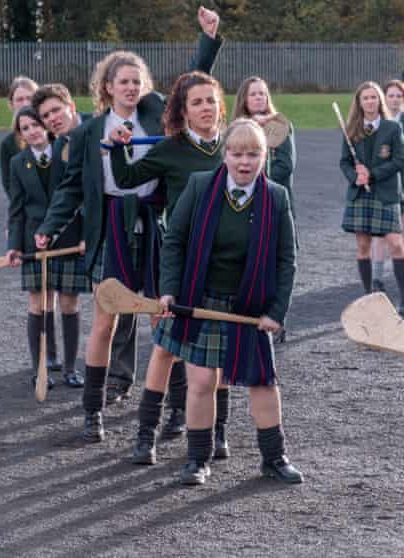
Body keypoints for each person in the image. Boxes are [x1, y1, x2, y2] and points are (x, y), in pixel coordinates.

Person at [34, 7, 223, 443]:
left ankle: (177, 411)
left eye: (137, 81)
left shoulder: (158, 112)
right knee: (106, 323)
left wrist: (208, 40)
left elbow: (194, 83)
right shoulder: (87, 134)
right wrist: (50, 226)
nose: (132, 87)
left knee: (165, 320)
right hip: (111, 229)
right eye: (124, 81)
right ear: (108, 87)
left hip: (155, 226)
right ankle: (92, 411)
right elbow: (70, 190)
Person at [153, 118, 300, 485]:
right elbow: (174, 240)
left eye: (253, 154)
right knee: (201, 381)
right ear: (225, 155)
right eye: (236, 153)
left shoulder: (277, 198)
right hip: (201, 299)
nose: (244, 162)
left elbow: (286, 260)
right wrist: (169, 289)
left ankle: (274, 458)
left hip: (249, 305)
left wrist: (276, 312)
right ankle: (197, 459)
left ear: (264, 157)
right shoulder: (201, 186)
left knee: (263, 382)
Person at [107, 71, 227, 461]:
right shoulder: (170, 148)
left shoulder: (234, 146)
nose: (206, 108)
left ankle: (218, 432)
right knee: (166, 348)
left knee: (218, 350)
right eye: (197, 102)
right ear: (182, 111)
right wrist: (118, 146)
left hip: (224, 263)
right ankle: (147, 435)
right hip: (180, 262)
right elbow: (126, 178)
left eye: (211, 100)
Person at [6, 107, 89, 389]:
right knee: (39, 306)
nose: (33, 131)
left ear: (47, 126)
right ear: (21, 134)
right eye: (25, 128)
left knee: (69, 304)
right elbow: (16, 210)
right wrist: (13, 246)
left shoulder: (67, 152)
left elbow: (83, 196)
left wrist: (86, 236)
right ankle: (40, 368)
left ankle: (69, 369)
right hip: (33, 245)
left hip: (69, 242)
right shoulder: (18, 163)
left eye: (36, 124)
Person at [339, 81, 404, 316]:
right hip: (360, 195)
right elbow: (344, 162)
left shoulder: (393, 128)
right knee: (362, 246)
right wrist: (355, 177)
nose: (370, 101)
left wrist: (373, 174)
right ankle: (368, 297)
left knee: (396, 244)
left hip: (385, 193)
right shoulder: (352, 129)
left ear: (379, 100)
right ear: (359, 103)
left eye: (373, 97)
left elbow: (400, 160)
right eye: (365, 98)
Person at [370, 80, 404, 297]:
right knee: (381, 234)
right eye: (390, 95)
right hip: (383, 186)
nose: (394, 99)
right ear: (385, 98)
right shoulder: (376, 124)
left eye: (398, 96)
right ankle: (377, 280)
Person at [233, 76, 296, 216]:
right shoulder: (236, 128)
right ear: (244, 99)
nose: (258, 97)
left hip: (275, 201)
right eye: (253, 94)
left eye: (262, 94)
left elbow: (285, 166)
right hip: (243, 204)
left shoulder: (280, 126)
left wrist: (256, 184)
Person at [0, 76, 39, 201]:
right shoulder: (8, 144)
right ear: (11, 104)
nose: (25, 104)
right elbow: (10, 186)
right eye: (19, 99)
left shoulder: (53, 134)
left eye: (30, 98)